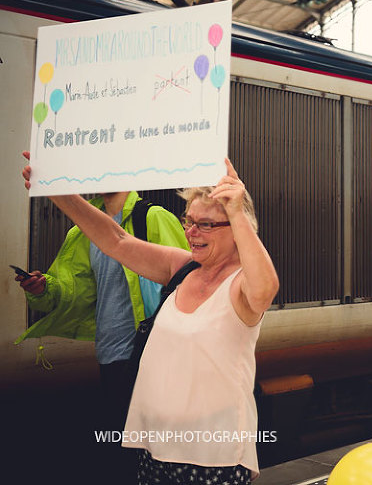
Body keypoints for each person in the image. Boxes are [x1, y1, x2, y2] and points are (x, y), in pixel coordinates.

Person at [21, 152, 279, 484]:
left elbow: (265, 289)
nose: (191, 232)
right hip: (156, 450)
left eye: (205, 224)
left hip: (215, 458)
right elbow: (116, 240)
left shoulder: (241, 286)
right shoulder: (182, 268)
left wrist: (236, 210)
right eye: (189, 220)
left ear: (237, 227)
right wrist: (57, 190)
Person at [14, 188, 188, 483]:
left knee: (155, 451)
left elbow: (186, 283)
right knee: (122, 450)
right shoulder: (85, 229)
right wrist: (43, 289)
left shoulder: (154, 218)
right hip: (110, 355)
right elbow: (75, 289)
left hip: (150, 356)